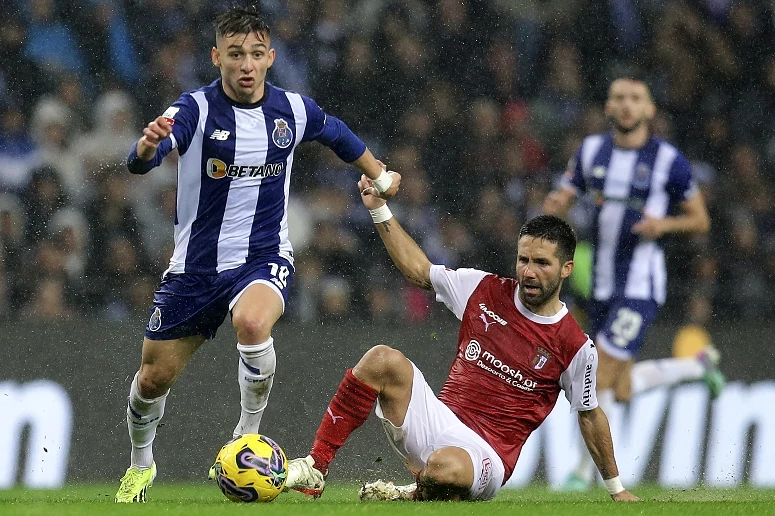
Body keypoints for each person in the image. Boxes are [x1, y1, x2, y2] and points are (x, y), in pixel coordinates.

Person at [114, 7, 400, 503]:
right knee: (152, 378)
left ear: (270, 57)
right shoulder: (196, 108)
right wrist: (145, 147)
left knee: (252, 324)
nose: (245, 65)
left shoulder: (291, 109)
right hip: (195, 269)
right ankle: (141, 464)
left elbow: (337, 134)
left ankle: (244, 438)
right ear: (215, 57)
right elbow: (149, 157)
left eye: (254, 55)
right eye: (234, 55)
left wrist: (379, 173)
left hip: (263, 256)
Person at [279, 178, 639, 502]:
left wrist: (616, 488)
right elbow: (419, 271)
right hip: (439, 419)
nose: (529, 272)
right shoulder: (482, 289)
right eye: (523, 260)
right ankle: (316, 465)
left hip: (486, 455)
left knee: (443, 468)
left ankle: (415, 494)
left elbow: (590, 416)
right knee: (381, 358)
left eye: (542, 263)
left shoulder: (575, 345)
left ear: (566, 269)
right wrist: (379, 208)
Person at [542, 74, 723, 491]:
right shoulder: (590, 152)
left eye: (635, 99)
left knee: (596, 376)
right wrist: (557, 204)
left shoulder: (668, 160)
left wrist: (665, 224)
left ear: (649, 110)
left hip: (640, 287)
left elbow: (701, 219)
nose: (626, 105)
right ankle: (697, 366)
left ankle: (582, 474)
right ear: (608, 107)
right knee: (620, 389)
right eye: (619, 97)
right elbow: (565, 194)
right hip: (599, 284)